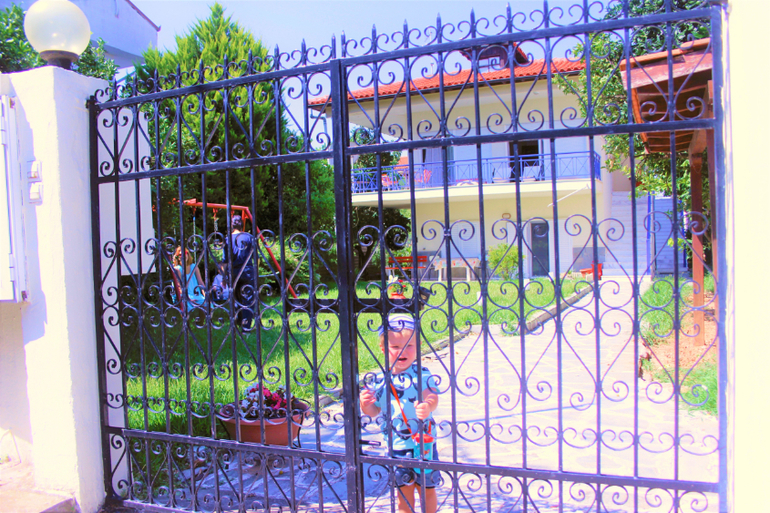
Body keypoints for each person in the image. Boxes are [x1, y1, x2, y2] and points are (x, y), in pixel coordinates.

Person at [360, 314, 440, 513]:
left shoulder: (422, 374)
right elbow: (374, 410)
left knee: (427, 489)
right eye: (395, 346)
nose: (402, 351)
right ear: (383, 348)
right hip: (396, 445)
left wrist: (428, 405)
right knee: (403, 492)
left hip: (424, 443)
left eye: (409, 346)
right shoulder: (379, 380)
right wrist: (365, 405)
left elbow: (433, 396)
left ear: (418, 346)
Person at [222, 215, 256, 327]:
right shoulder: (249, 237)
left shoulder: (227, 239)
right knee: (248, 298)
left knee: (235, 298)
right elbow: (256, 257)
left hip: (233, 272)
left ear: (231, 225)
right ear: (242, 224)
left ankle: (237, 323)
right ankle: (245, 326)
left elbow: (225, 261)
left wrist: (224, 277)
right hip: (247, 271)